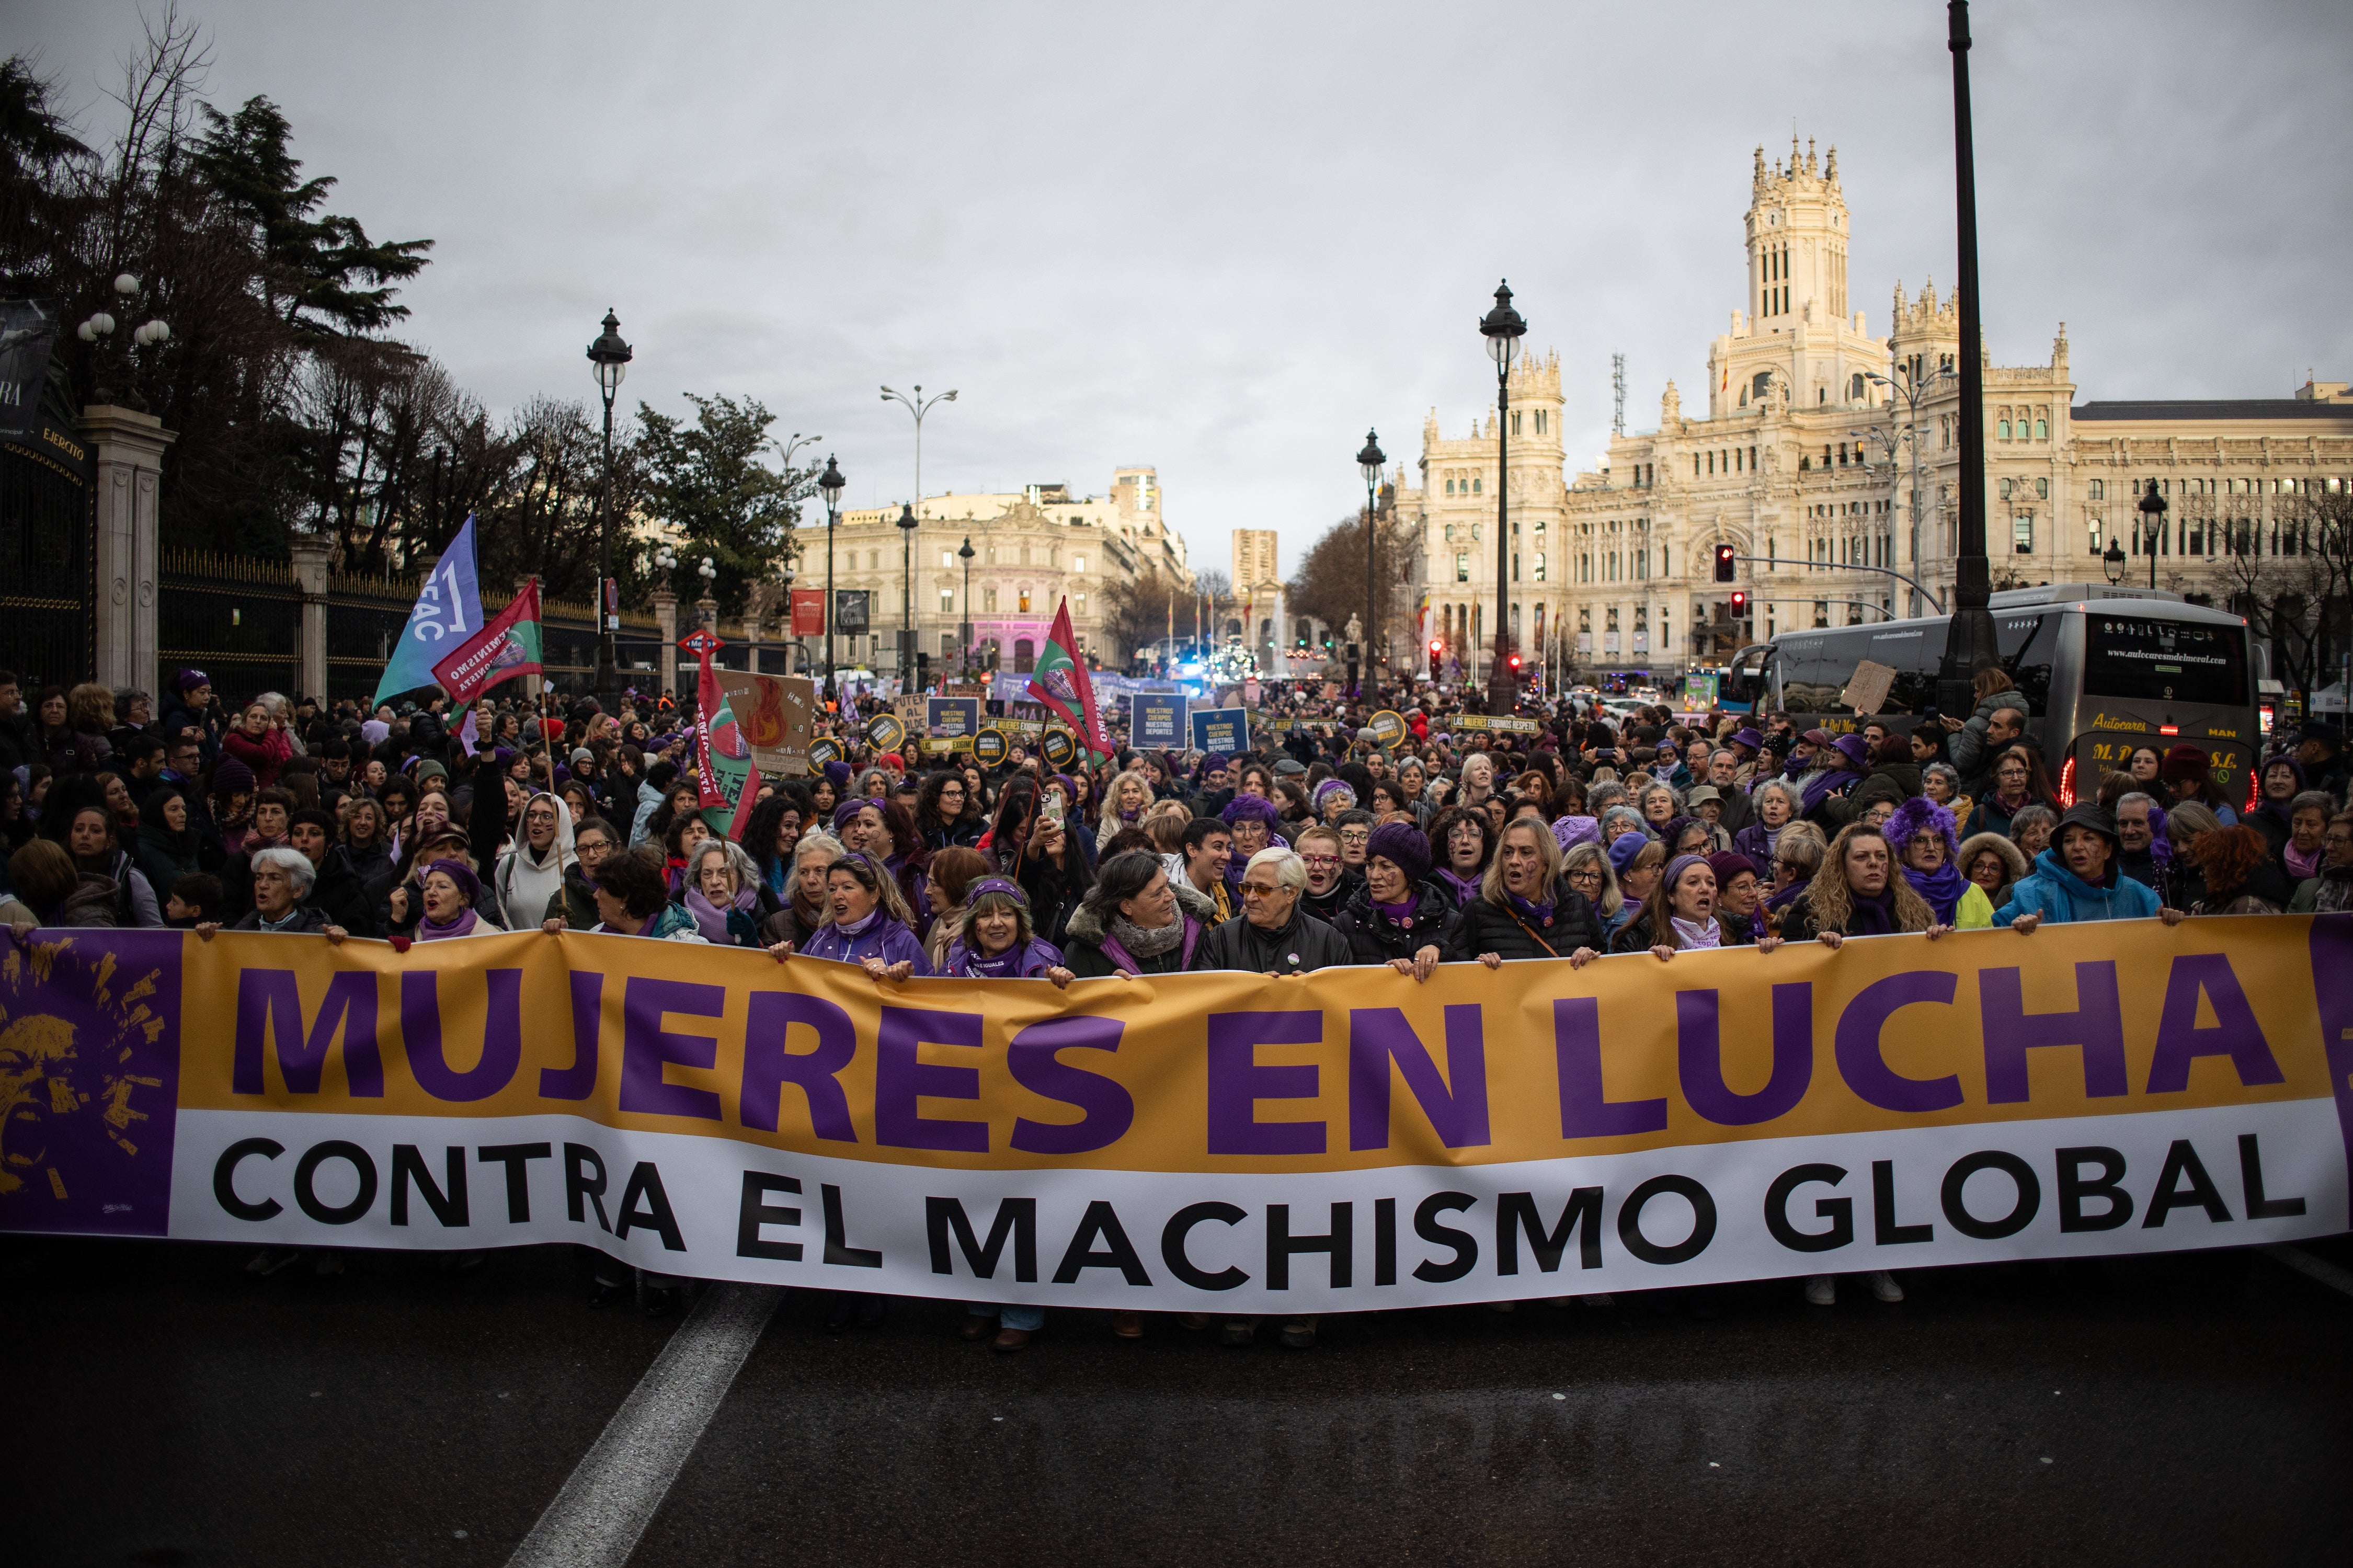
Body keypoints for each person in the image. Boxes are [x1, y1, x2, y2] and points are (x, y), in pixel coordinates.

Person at [1996, 804, 2183, 930]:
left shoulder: (2140, 897)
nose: (2078, 847)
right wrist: (2016, 930)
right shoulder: (2033, 893)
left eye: (2088, 838)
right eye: (2069, 840)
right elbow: (1993, 941)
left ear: (2108, 850)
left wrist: (2169, 924)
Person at [1453, 819, 1606, 967]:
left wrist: (1591, 957)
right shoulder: (1476, 911)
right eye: (1508, 852)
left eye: (1525, 853)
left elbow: (1604, 964)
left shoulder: (1578, 905)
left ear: (1546, 863)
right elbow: (1457, 973)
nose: (1514, 861)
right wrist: (1476, 968)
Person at [1779, 823, 1946, 946]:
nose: (1874, 863)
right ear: (1842, 865)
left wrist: (1939, 943)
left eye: (1881, 856)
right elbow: (1790, 971)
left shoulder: (1915, 911)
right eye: (1862, 857)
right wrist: (1816, 951)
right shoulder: (1811, 910)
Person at [1063, 848, 1214, 978]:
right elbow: (1080, 1008)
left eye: (1167, 885)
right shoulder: (1086, 951)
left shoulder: (1197, 930)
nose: (1171, 896)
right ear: (1126, 906)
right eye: (1158, 893)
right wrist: (1106, 991)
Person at [1335, 819, 1459, 977]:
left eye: (1386, 867)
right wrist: (1387, 977)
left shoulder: (1450, 923)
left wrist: (1441, 950)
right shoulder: (1347, 924)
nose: (1374, 875)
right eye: (1370, 865)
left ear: (1410, 874)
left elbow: (1467, 985)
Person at [787, 851, 933, 978]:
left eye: (847, 887)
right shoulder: (820, 939)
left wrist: (898, 979)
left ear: (875, 895)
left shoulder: (902, 942)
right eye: (832, 889)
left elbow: (926, 1000)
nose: (837, 896)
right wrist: (785, 960)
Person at [1620, 852, 1781, 959]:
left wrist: (1766, 955)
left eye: (1711, 883)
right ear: (1671, 895)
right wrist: (1647, 965)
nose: (1705, 889)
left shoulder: (1733, 933)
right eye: (1693, 882)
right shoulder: (1638, 939)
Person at [1888, 796, 1994, 930]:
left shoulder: (1973, 892)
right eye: (1920, 840)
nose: (1931, 847)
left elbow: (1991, 943)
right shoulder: (1890, 891)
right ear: (1903, 848)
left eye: (1938, 840)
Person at [680, 838, 767, 946]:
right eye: (707, 874)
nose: (714, 881)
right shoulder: (680, 912)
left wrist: (750, 940)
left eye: (724, 873)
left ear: (742, 877)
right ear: (699, 878)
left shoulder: (764, 912)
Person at [1427, 805, 1495, 908]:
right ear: (1445, 844)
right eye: (1456, 835)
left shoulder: (1497, 887)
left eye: (1474, 834)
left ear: (1485, 844)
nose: (1465, 841)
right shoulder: (1429, 886)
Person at [2290, 811, 2353, 913]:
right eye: (2328, 839)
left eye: (2339, 841)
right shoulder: (2308, 889)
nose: (2329, 847)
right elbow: (2291, 928)